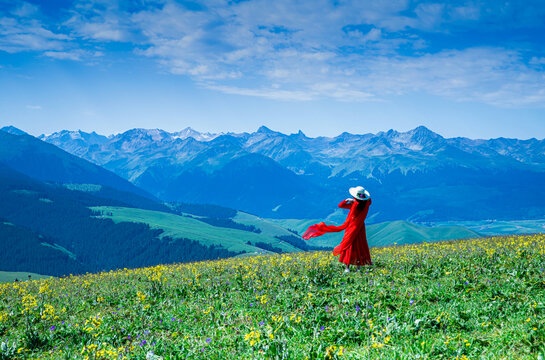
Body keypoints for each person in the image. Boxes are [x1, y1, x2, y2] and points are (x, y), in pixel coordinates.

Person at [302, 186, 372, 273]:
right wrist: (357, 200)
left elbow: (341, 205)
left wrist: (347, 200)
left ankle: (347, 268)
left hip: (351, 227)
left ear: (355, 197)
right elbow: (368, 200)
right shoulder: (366, 204)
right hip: (360, 228)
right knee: (359, 245)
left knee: (348, 245)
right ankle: (358, 268)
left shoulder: (354, 204)